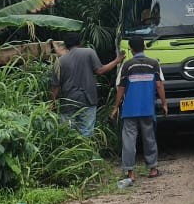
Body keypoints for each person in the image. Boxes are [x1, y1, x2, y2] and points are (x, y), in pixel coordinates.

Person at [113, 36, 167, 183]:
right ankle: (153, 169)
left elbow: (121, 88)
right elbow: (159, 85)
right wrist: (164, 103)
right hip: (147, 108)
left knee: (129, 140)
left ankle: (130, 173)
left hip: (130, 109)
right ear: (144, 47)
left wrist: (115, 107)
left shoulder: (127, 65)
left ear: (131, 48)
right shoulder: (153, 64)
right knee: (149, 138)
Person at [50, 36, 122, 137]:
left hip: (68, 101)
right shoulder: (88, 52)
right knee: (86, 132)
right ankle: (85, 151)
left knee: (66, 133)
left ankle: (71, 152)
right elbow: (100, 71)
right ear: (79, 43)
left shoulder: (59, 61)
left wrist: (52, 103)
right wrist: (117, 61)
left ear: (66, 46)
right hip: (88, 99)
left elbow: (55, 86)